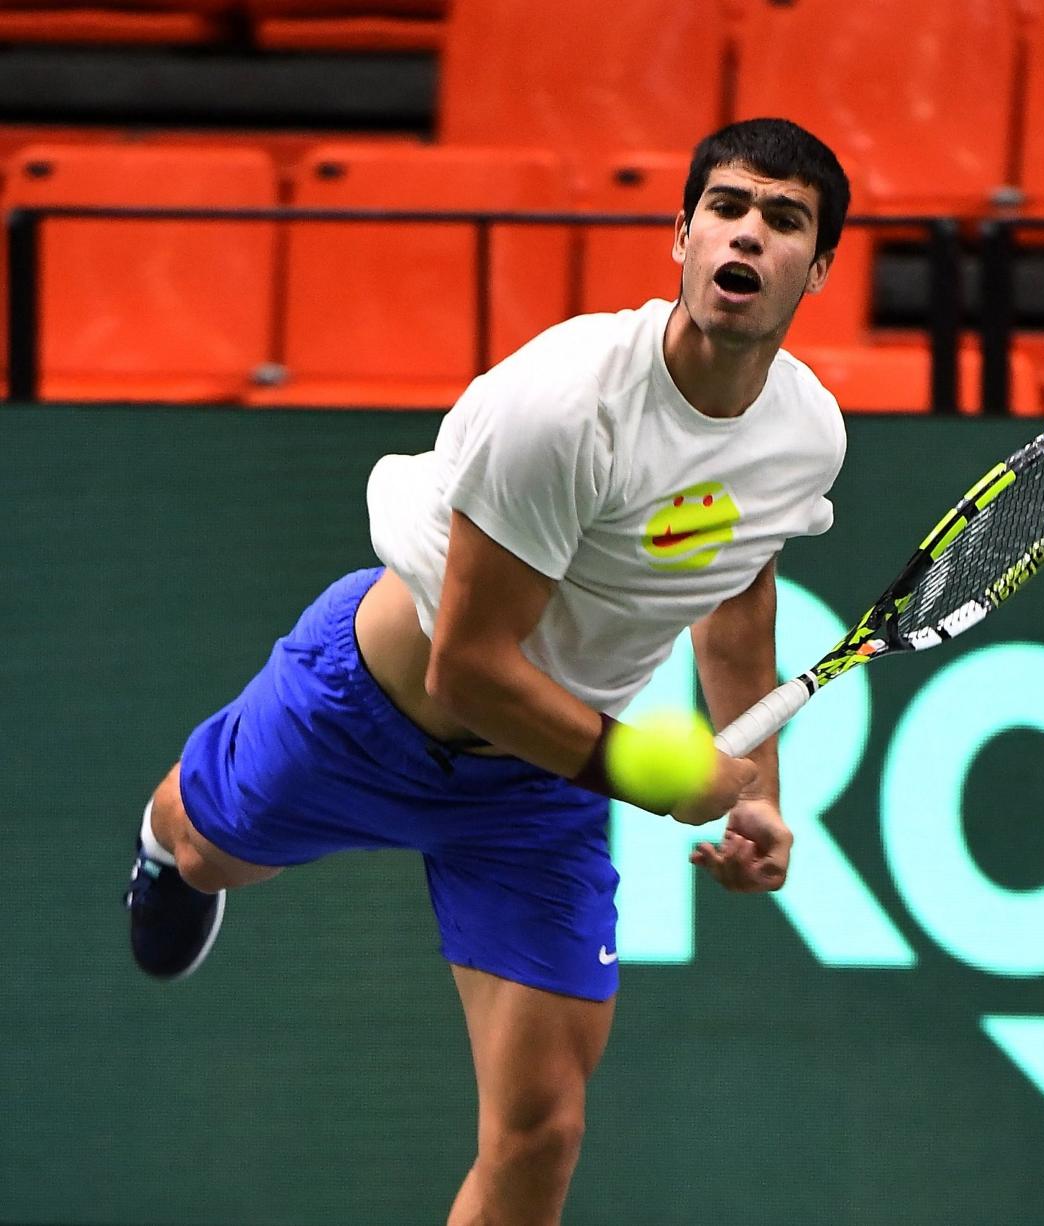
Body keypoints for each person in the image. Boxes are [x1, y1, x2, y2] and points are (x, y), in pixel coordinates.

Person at [123, 116, 851, 1225]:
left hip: (536, 787)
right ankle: (164, 832)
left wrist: (761, 789)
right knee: (209, 852)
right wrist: (655, 775)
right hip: (368, 708)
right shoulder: (564, 404)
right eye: (728, 207)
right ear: (683, 234)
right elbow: (468, 667)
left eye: (784, 219)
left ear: (820, 265)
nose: (748, 233)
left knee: (541, 1131)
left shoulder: (806, 435)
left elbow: (737, 588)